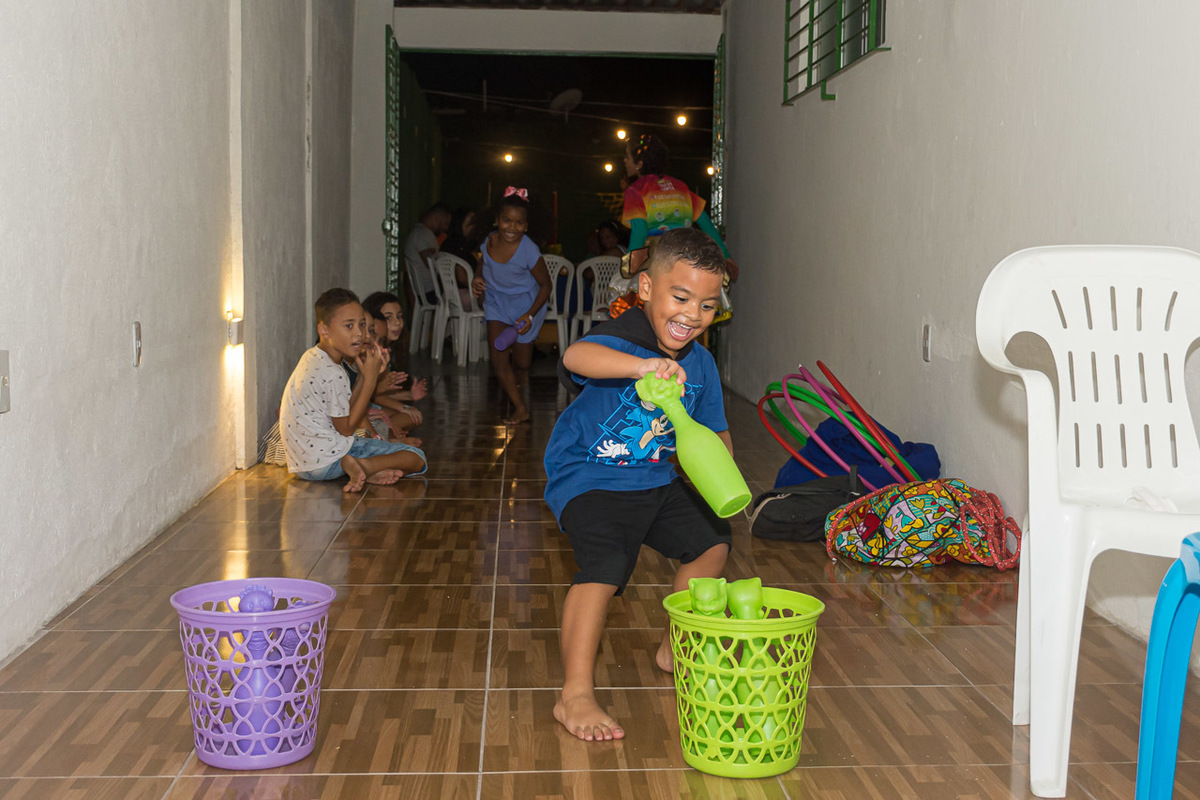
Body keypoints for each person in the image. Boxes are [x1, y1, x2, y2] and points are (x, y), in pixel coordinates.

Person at [542, 228, 733, 741]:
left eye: (708, 305)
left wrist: (723, 476)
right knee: (605, 566)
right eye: (681, 297)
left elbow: (714, 430)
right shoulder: (621, 338)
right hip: (589, 476)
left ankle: (674, 648)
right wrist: (642, 366)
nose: (693, 314)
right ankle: (574, 695)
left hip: (653, 475)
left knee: (711, 546)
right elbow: (576, 358)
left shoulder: (703, 364)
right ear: (646, 288)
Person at [279, 288, 427, 492]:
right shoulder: (333, 372)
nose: (359, 333)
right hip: (330, 460)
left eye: (362, 325)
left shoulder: (313, 357)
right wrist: (371, 380)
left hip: (303, 465)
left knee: (386, 446)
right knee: (415, 457)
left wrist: (365, 377)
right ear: (324, 330)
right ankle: (364, 467)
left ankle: (366, 470)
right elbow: (346, 428)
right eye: (349, 326)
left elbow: (345, 411)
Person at [613, 134, 737, 321]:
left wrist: (628, 269)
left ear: (639, 163)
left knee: (649, 319)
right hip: (689, 259)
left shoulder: (636, 190)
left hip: (658, 260)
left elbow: (638, 233)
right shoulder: (681, 187)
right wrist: (727, 258)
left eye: (627, 157)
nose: (625, 161)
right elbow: (707, 226)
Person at [471, 187, 552, 426]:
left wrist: (529, 314)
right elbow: (483, 262)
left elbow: (546, 286)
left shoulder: (529, 250)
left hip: (526, 306)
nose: (511, 227)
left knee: (522, 361)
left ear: (526, 226)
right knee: (498, 359)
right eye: (507, 221)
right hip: (496, 302)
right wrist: (477, 278)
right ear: (497, 220)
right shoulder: (489, 241)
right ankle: (520, 408)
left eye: (518, 223)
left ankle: (522, 372)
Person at [403, 202, 452, 304]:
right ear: (437, 217)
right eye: (445, 223)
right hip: (428, 291)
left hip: (419, 291)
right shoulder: (424, 234)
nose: (445, 229)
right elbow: (431, 263)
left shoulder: (416, 232)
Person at [439, 207, 481, 308]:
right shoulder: (457, 245)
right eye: (470, 221)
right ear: (460, 221)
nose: (473, 225)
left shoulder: (450, 243)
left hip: (449, 294)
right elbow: (461, 277)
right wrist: (478, 287)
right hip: (459, 295)